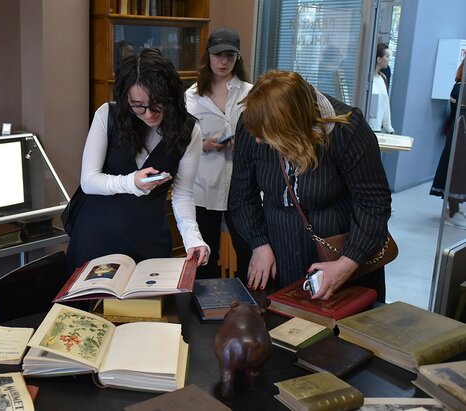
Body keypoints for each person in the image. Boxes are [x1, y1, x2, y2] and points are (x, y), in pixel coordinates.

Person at [229, 70, 392, 302]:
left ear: (290, 128)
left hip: (342, 254)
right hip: (278, 252)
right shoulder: (254, 124)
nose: (258, 140)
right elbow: (241, 195)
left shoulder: (347, 129)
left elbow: (374, 204)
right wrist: (258, 243)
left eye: (267, 135)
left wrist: (346, 264)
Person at [66, 48, 209, 271]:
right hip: (96, 235)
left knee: (149, 293)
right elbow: (89, 181)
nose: (149, 114)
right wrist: (131, 182)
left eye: (157, 104)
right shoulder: (108, 116)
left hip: (148, 238)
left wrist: (193, 239)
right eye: (138, 106)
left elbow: (183, 194)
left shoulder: (188, 131)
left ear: (171, 96)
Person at [185, 28, 253, 279]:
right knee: (206, 254)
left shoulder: (250, 92)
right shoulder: (192, 96)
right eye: (218, 55)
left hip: (241, 184)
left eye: (229, 56)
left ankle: (249, 299)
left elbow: (264, 134)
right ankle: (205, 300)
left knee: (247, 249)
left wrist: (244, 144)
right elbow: (180, 141)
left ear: (237, 58)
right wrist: (203, 145)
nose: (223, 62)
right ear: (208, 56)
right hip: (204, 184)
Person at [430, 60, 466, 227]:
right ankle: (453, 211)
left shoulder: (459, 87)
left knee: (457, 172)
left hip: (459, 135)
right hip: (460, 137)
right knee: (455, 173)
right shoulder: (460, 88)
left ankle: (454, 209)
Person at [367, 42, 395, 133]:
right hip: (366, 127)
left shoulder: (383, 78)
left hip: (377, 128)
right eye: (387, 56)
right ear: (379, 59)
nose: (389, 59)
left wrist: (389, 127)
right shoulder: (367, 79)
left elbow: (385, 104)